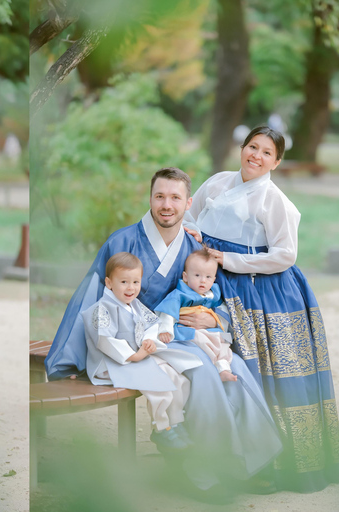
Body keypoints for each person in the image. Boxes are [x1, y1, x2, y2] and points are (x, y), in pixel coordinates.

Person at [45, 167, 282, 501]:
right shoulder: (122, 241)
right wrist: (68, 359)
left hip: (179, 334)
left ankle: (250, 461)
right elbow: (90, 299)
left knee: (238, 370)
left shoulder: (194, 247)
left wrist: (214, 322)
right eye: (160, 196)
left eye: (175, 197)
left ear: (188, 204)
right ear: (151, 199)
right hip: (136, 338)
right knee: (201, 372)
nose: (166, 205)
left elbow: (220, 296)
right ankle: (204, 470)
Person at [187, 125, 339, 492]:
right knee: (217, 365)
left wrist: (229, 259)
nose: (256, 155)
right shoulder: (216, 183)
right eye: (252, 146)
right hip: (210, 279)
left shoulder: (273, 200)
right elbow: (191, 219)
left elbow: (286, 255)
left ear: (276, 161)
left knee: (261, 372)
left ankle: (273, 464)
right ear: (241, 147)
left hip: (259, 290)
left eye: (266, 152)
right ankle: (219, 455)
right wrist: (199, 245)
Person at [82, 252, 204, 453]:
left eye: (135, 282)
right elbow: (105, 340)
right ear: (109, 283)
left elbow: (151, 324)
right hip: (113, 363)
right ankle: (161, 427)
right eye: (124, 282)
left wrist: (148, 341)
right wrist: (135, 355)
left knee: (178, 378)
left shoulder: (135, 305)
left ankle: (175, 422)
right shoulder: (102, 308)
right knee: (157, 384)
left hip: (137, 356)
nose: (131, 288)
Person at [154, 248, 236, 382]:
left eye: (208, 277)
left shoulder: (213, 294)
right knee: (202, 339)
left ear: (214, 279)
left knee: (224, 344)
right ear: (186, 277)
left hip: (209, 329)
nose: (203, 281)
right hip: (188, 330)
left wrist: (216, 321)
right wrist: (166, 329)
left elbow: (222, 310)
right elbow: (168, 311)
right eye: (197, 275)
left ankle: (223, 367)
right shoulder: (180, 294)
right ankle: (213, 362)